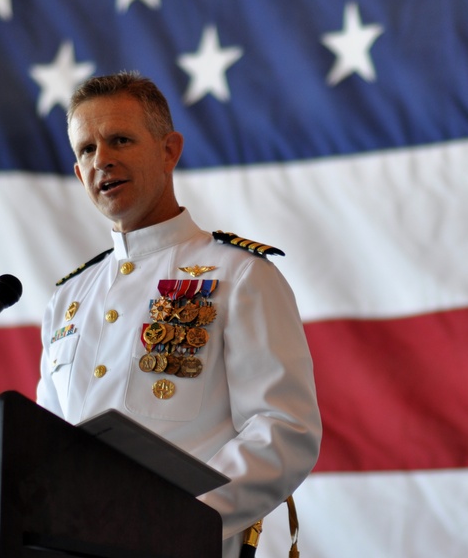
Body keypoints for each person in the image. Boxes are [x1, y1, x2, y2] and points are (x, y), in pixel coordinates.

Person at [35, 71, 322, 557]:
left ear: (170, 150)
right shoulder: (67, 299)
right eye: (86, 150)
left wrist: (181, 518)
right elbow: (46, 446)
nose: (101, 159)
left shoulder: (241, 275)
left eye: (119, 140)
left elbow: (284, 429)